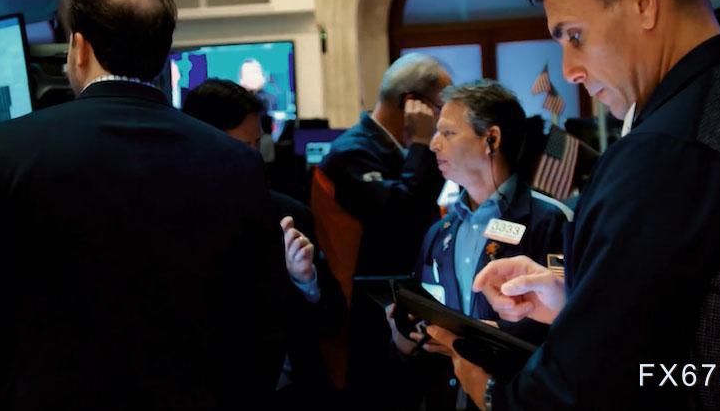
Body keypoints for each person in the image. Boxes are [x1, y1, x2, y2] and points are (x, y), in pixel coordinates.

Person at [426, 0, 720, 410]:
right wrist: (578, 298)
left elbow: (612, 378)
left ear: (642, 0)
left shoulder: (667, 147)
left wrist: (500, 395)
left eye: (575, 35)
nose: (570, 70)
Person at [0, 0, 287, 410]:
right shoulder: (236, 161)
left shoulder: (11, 147)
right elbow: (264, 319)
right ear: (162, 53)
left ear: (79, 47)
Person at [386, 81, 572, 410]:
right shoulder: (440, 231)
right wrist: (406, 335)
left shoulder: (550, 222)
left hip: (515, 398)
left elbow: (570, 326)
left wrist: (472, 342)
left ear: (491, 139)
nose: (433, 144)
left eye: (447, 133)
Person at [182, 79, 347, 408]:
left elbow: (334, 318)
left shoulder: (290, 214)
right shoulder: (174, 219)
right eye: (245, 145)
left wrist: (307, 282)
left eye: (258, 143)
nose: (256, 156)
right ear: (203, 142)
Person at [318, 53, 451, 408]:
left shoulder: (391, 147)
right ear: (412, 103)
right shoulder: (351, 152)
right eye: (440, 106)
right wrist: (422, 143)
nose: (443, 117)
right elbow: (402, 213)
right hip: (362, 314)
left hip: (399, 299)